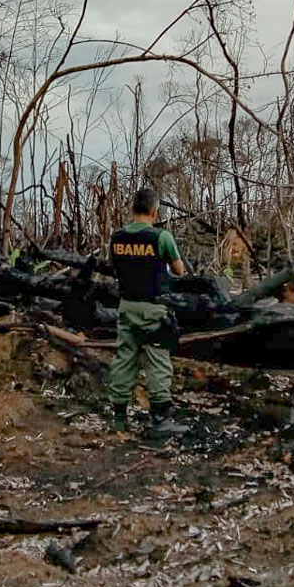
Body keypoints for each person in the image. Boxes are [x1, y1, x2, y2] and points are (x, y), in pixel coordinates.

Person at [106, 187, 189, 436]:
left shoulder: (117, 238)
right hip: (154, 309)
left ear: (132, 210)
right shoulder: (161, 237)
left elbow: (114, 267)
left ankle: (119, 419)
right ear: (155, 212)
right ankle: (160, 419)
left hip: (126, 307)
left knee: (124, 359)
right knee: (157, 362)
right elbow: (179, 271)